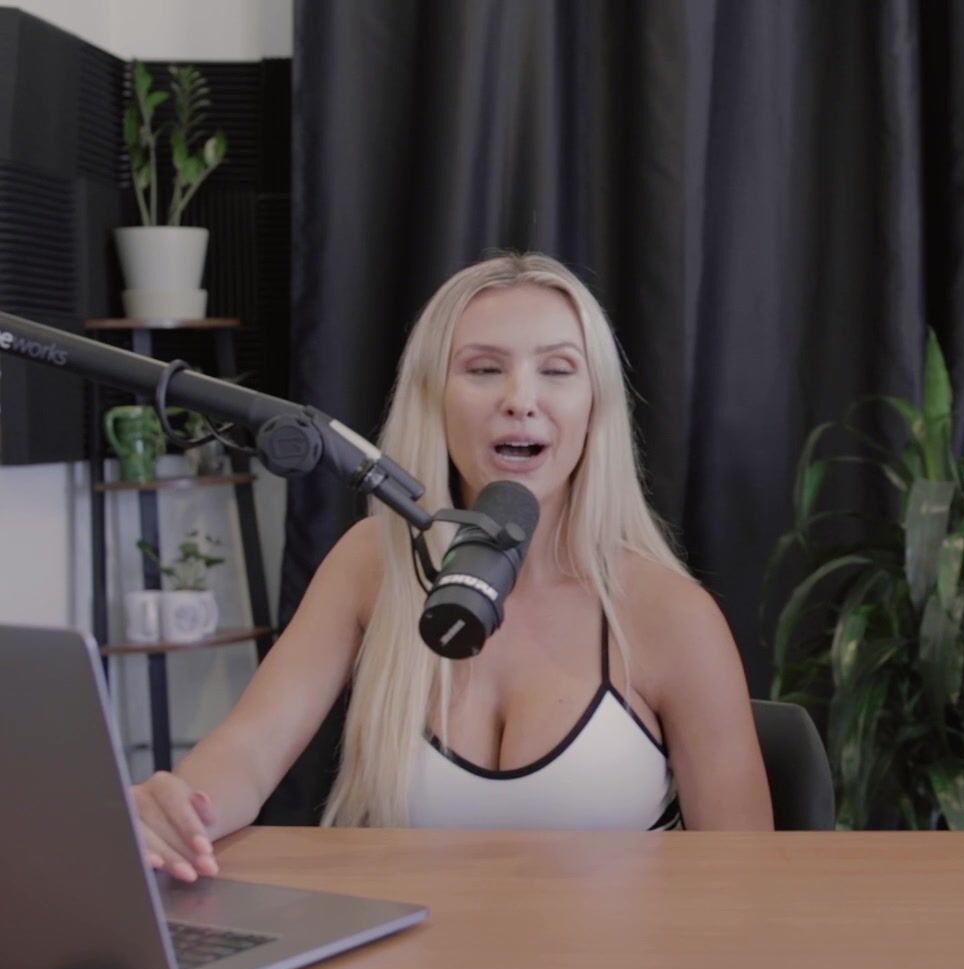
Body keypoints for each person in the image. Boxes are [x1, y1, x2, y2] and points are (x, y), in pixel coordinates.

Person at [133, 253, 772, 881]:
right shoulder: (371, 564)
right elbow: (250, 750)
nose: (520, 399)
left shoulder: (669, 612)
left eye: (557, 370)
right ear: (433, 399)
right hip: (417, 953)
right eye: (484, 369)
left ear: (594, 408)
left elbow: (748, 880)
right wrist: (176, 814)